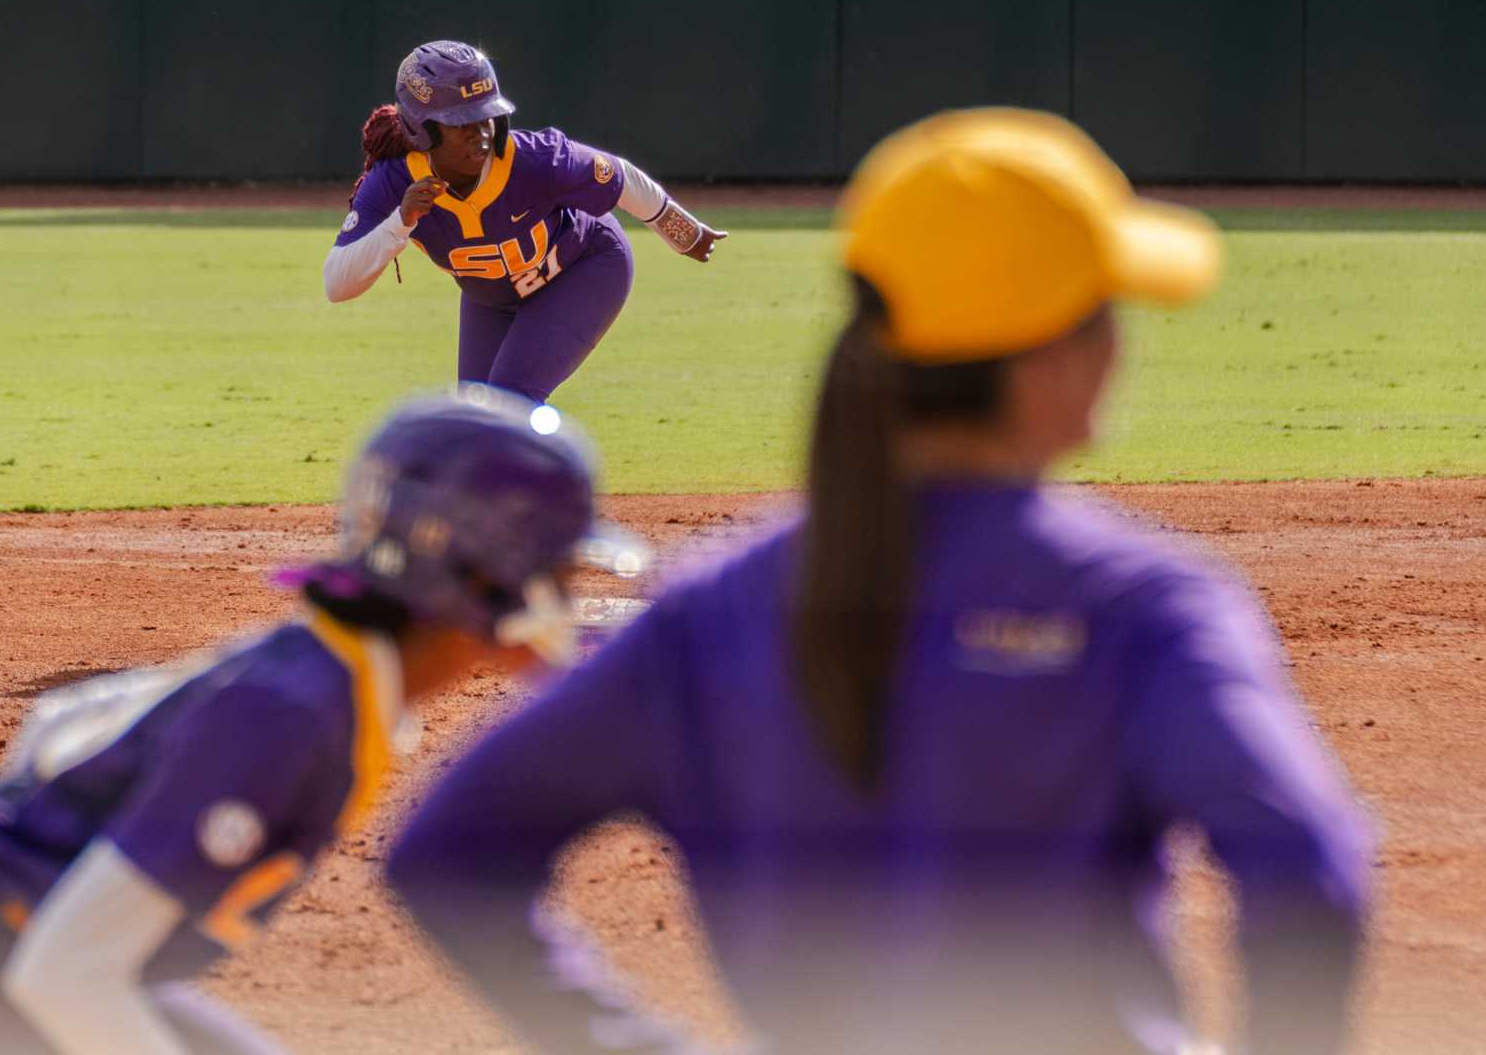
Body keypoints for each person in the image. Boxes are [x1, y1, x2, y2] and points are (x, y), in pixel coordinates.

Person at [387, 108, 1375, 1055]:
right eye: (1102, 313)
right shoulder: (1138, 602)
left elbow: (447, 854)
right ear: (1047, 361)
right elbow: (1309, 872)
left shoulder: (709, 607)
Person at [0, 389, 615, 1055]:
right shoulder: (296, 712)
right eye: (555, 568)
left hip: (1, 941)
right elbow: (64, 977)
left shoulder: (332, 671)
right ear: (474, 572)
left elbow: (64, 721)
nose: (567, 592)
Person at [324, 40, 724, 403]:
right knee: (477, 421)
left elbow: (620, 178)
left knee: (509, 405)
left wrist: (683, 234)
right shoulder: (393, 182)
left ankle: (554, 479)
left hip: (583, 268)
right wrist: (401, 221)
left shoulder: (535, 159)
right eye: (461, 123)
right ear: (419, 128)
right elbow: (337, 284)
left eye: (487, 117)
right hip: (492, 298)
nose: (481, 134)